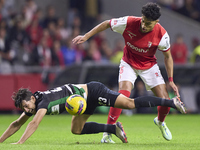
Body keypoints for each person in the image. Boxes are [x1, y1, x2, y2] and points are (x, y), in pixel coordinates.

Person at [72, 2, 180, 142]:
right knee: (122, 96)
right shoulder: (128, 22)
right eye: (143, 21)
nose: (143, 25)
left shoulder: (162, 35)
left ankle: (160, 121)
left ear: (156, 22)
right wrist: (86, 36)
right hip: (128, 63)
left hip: (149, 66)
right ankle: (107, 133)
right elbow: (106, 23)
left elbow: (168, 57)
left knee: (165, 101)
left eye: (148, 24)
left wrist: (170, 80)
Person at [0, 81, 186, 144]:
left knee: (129, 104)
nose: (26, 110)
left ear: (32, 98)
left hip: (93, 91)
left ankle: (171, 102)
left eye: (26, 106)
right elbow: (17, 123)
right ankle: (113, 129)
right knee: (76, 129)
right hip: (83, 101)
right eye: (24, 108)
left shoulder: (42, 102)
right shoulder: (33, 104)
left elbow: (34, 124)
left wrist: (20, 142)